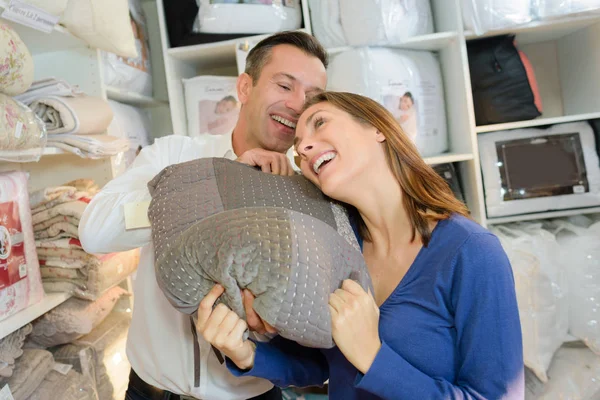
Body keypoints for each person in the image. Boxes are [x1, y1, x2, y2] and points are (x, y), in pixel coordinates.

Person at [196, 91, 525, 399]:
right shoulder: (332, 245)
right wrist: (244, 352)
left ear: (377, 129)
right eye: (298, 147)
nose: (304, 148)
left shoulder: (471, 252)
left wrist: (373, 356)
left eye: (320, 123)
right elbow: (316, 362)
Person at [78, 31, 328, 400]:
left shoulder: (310, 193)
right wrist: (214, 191)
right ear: (245, 87)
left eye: (311, 97)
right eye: (284, 85)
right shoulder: (173, 156)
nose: (296, 104)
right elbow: (95, 232)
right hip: (149, 391)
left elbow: (312, 336)